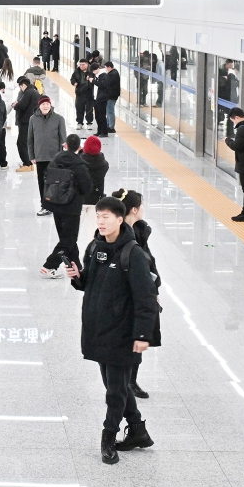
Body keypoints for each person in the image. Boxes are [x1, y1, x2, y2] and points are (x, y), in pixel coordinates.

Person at [65, 197, 159, 464]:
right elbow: (90, 283)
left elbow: (146, 298)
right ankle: (137, 430)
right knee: (115, 385)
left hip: (123, 333)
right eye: (98, 216)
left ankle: (108, 438)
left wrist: (143, 335)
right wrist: (78, 277)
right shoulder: (95, 247)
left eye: (106, 217)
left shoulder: (133, 254)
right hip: (98, 329)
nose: (101, 221)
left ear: (120, 219)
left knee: (115, 391)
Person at [114, 189, 162, 399]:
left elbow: (149, 262)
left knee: (137, 337)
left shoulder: (140, 231)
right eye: (141, 204)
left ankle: (130, 381)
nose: (143, 208)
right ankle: (124, 382)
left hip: (142, 290)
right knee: (127, 338)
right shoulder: (120, 235)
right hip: (126, 294)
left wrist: (154, 288)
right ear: (134, 209)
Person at [40, 134, 93, 277]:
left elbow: (46, 178)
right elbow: (86, 187)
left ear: (66, 145)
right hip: (72, 207)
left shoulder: (55, 160)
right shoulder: (79, 165)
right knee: (69, 240)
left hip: (55, 204)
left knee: (67, 239)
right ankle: (50, 265)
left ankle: (76, 266)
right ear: (79, 147)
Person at [28, 96, 68, 216]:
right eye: (43, 104)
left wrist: (63, 156)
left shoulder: (59, 119)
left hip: (54, 157)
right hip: (40, 156)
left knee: (54, 183)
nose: (45, 106)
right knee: (42, 182)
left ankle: (54, 204)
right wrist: (31, 155)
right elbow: (30, 138)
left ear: (50, 105)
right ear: (39, 106)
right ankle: (45, 205)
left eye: (47, 104)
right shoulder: (33, 119)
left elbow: (63, 139)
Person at [12, 77, 41, 171]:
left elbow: (22, 106)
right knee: (27, 142)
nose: (21, 89)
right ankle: (30, 163)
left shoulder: (28, 92)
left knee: (21, 143)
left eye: (21, 87)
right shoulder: (35, 91)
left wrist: (15, 105)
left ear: (24, 85)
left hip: (25, 121)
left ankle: (26, 164)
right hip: (32, 120)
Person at [94, 62, 121, 136]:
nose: (105, 69)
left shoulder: (112, 74)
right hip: (112, 95)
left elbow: (106, 84)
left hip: (111, 96)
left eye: (106, 67)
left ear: (109, 67)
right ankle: (109, 125)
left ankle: (111, 127)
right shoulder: (114, 73)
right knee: (109, 110)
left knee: (109, 111)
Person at [71, 59, 96, 129]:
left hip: (89, 93)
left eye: (83, 65)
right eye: (80, 65)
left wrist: (91, 80)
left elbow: (95, 79)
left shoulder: (91, 71)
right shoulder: (77, 71)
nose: (81, 66)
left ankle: (89, 123)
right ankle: (79, 122)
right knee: (79, 108)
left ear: (87, 64)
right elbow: (72, 78)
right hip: (79, 93)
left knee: (89, 109)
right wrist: (74, 82)